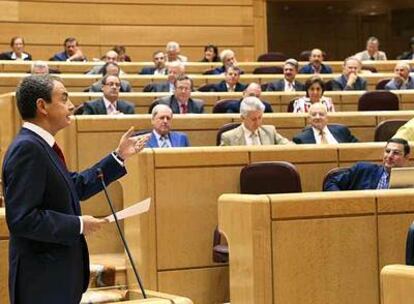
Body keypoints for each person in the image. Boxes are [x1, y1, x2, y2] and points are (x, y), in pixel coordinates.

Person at [3, 74, 149, 304]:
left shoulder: (41, 145)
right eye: (64, 99)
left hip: (56, 278)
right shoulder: (27, 149)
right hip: (42, 282)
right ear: (42, 106)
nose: (71, 106)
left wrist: (119, 157)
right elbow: (23, 219)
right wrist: (79, 224)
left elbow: (75, 186)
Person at [324, 138, 410, 191]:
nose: (390, 156)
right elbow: (330, 183)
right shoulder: (363, 170)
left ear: (406, 157)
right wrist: (345, 202)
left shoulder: (410, 178)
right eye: (387, 151)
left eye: (396, 153)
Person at [220, 96, 290, 146]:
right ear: (242, 117)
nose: (258, 122)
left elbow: (290, 146)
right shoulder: (228, 137)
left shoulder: (270, 132)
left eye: (259, 118)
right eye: (253, 119)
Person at [292, 103, 358, 144]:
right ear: (309, 119)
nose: (317, 117)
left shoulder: (342, 131)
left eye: (321, 114)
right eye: (314, 115)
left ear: (327, 118)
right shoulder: (300, 139)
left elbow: (356, 147)